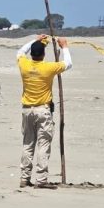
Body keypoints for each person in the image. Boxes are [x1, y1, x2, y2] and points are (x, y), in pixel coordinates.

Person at [17, 34, 72, 189]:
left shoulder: (24, 65)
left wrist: (35, 40)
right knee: (43, 144)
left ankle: (24, 177)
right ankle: (41, 180)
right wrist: (65, 46)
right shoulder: (48, 67)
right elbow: (68, 64)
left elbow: (20, 51)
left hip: (27, 111)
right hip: (43, 110)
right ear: (43, 54)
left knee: (28, 144)